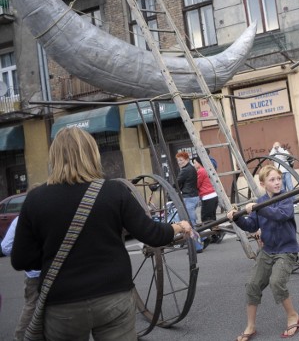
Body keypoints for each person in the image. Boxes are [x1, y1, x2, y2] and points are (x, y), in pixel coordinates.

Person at [11, 127, 193, 340]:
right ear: (92, 153)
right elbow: (152, 234)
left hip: (63, 303)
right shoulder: (113, 192)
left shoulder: (35, 199)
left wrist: (55, 257)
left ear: (54, 157)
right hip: (113, 295)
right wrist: (178, 227)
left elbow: (21, 259)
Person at [227, 165, 299, 340]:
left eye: (278, 178)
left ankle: (294, 316)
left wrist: (258, 207)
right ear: (263, 184)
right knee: (252, 284)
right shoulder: (260, 201)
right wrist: (237, 217)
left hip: (286, 250)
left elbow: (281, 215)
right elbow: (251, 226)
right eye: (272, 180)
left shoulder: (286, 198)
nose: (277, 182)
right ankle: (251, 326)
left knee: (276, 282)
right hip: (268, 250)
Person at [2, 216, 41, 341]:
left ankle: (21, 336)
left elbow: (6, 247)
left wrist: (26, 256)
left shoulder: (21, 218)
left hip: (34, 273)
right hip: (55, 271)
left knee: (32, 307)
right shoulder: (54, 212)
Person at [176, 151, 204, 253]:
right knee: (192, 221)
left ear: (187, 160)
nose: (179, 162)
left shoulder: (184, 170)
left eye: (181, 160)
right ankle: (203, 238)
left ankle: (197, 247)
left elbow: (177, 183)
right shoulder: (191, 168)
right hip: (194, 197)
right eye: (178, 160)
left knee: (189, 223)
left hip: (189, 198)